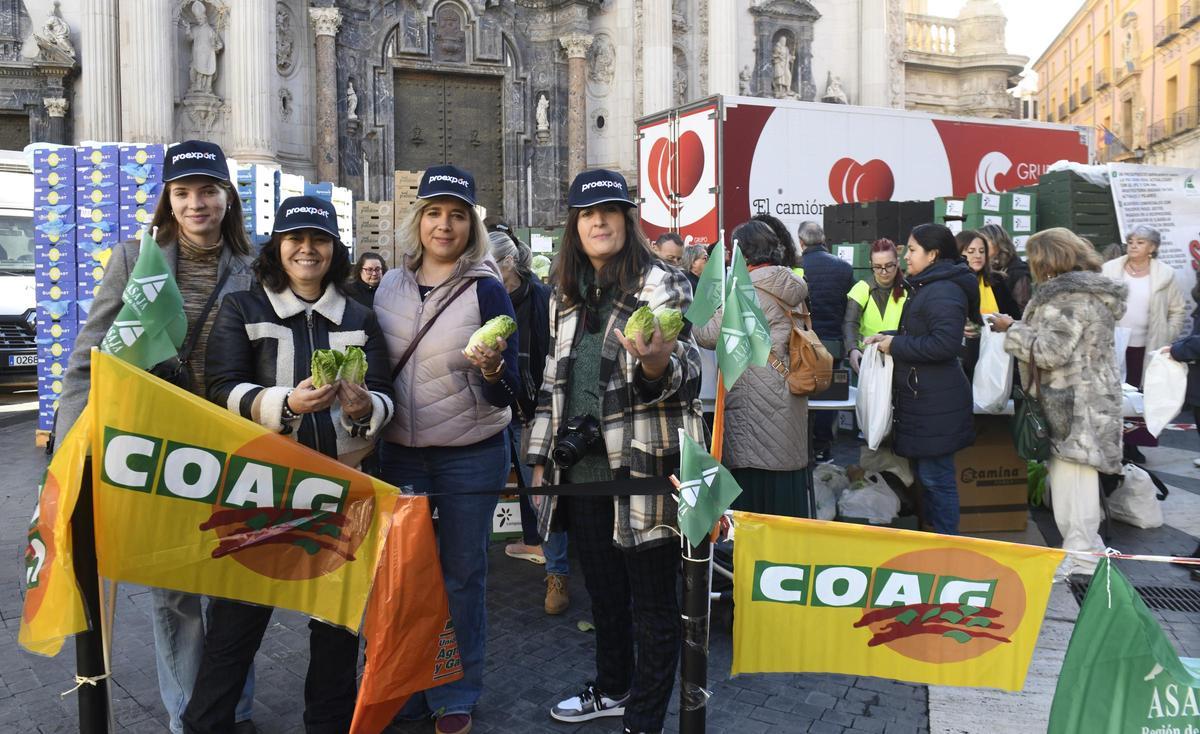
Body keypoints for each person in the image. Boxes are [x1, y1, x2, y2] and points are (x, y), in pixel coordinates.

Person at [55, 140, 258, 734]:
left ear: (227, 197)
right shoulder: (132, 260)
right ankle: (187, 718)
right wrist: (70, 451)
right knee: (173, 594)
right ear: (169, 202)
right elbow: (88, 358)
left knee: (234, 584)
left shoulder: (258, 264)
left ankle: (231, 711)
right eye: (183, 192)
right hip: (156, 453)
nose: (197, 203)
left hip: (232, 446)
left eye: (208, 190)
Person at [184, 198, 394, 733]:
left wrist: (366, 408)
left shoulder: (361, 317)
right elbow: (220, 390)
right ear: (278, 247)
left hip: (341, 495)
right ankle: (208, 726)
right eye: (295, 238)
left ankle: (328, 726)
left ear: (333, 250)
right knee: (234, 631)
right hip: (261, 494)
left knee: (335, 634)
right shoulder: (243, 309)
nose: (307, 248)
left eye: (319, 239)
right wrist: (285, 404)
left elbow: (389, 395)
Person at [526, 169, 703, 734]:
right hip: (581, 472)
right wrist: (538, 457)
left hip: (646, 470)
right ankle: (612, 688)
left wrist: (656, 363)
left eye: (609, 211)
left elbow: (690, 374)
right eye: (585, 213)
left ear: (628, 221)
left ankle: (645, 717)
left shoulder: (665, 283)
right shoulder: (566, 296)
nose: (598, 221)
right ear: (574, 227)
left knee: (653, 604)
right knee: (603, 593)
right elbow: (554, 380)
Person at [373, 166, 520, 734]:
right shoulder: (387, 284)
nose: (444, 224)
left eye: (457, 214)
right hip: (399, 454)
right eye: (434, 212)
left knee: (462, 575)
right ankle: (406, 680)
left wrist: (492, 369)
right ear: (418, 219)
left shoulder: (487, 288)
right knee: (405, 575)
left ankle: (456, 690)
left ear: (471, 225)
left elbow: (511, 391)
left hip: (469, 451)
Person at [990, 228, 1124, 577]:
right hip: (1087, 400)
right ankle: (1084, 549)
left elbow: (1050, 351)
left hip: (1072, 405)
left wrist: (1011, 329)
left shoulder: (1067, 298)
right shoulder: (1088, 291)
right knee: (1076, 481)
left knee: (1073, 484)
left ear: (1046, 262)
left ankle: (1080, 556)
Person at [864, 223, 977, 534]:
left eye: (912, 249)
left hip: (936, 401)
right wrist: (886, 337)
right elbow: (921, 334)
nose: (906, 255)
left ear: (933, 254)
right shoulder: (927, 285)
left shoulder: (943, 290)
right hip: (926, 399)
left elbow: (945, 344)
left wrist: (895, 345)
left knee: (937, 479)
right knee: (929, 477)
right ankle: (937, 540)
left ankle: (946, 544)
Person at [694, 220, 810, 516]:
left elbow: (706, 334)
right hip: (788, 391)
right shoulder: (791, 284)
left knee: (755, 493)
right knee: (783, 482)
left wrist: (704, 303)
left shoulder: (747, 290)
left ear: (743, 255)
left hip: (756, 400)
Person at [488, 230, 571, 615]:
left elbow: (552, 355)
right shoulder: (485, 297)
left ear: (508, 264)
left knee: (543, 495)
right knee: (496, 491)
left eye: (490, 265)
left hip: (531, 411)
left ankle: (557, 573)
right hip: (491, 409)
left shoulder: (539, 298)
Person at [1101, 225, 1187, 387]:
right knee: (1112, 389)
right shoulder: (1109, 270)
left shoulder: (1165, 274)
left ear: (1152, 247)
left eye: (1140, 242)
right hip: (1112, 341)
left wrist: (1167, 335)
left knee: (1142, 390)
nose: (1133, 246)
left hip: (1149, 344)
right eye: (1130, 241)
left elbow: (1177, 310)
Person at [798, 220, 853, 461]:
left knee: (802, 394)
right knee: (828, 399)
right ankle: (822, 446)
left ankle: (803, 445)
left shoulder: (796, 268)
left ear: (801, 242)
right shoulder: (843, 268)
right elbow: (848, 307)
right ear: (824, 239)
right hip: (833, 343)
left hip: (803, 344)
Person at [958, 229, 1021, 378]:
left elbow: (1014, 316)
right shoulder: (951, 283)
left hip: (995, 354)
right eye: (971, 251)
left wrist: (1001, 323)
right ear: (959, 254)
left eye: (981, 251)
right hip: (962, 357)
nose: (977, 256)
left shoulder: (997, 281)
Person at [844, 239, 908, 373]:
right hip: (869, 360)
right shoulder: (861, 289)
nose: (884, 272)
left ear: (897, 263)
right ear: (870, 265)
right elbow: (850, 323)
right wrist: (852, 349)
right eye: (878, 267)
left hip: (901, 359)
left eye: (889, 265)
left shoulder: (908, 291)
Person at [981, 223, 1032, 312]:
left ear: (998, 243)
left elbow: (1022, 310)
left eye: (985, 241)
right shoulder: (982, 268)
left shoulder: (1018, 271)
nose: (981, 246)